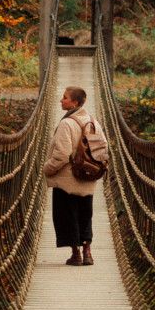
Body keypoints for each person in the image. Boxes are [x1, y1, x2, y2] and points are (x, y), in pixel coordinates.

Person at [43, 84, 106, 266]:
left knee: (67, 215)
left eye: (65, 97)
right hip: (87, 178)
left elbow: (62, 154)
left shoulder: (66, 123)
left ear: (74, 103)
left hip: (67, 180)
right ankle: (88, 253)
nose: (61, 100)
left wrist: (47, 168)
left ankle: (75, 254)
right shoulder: (93, 121)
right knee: (85, 214)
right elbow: (103, 148)